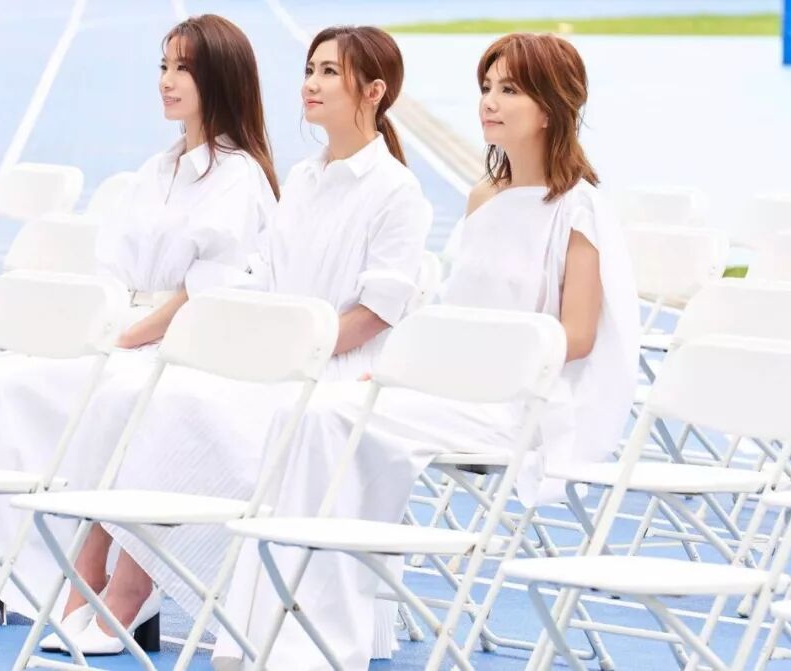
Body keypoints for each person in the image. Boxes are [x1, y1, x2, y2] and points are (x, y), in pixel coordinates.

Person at [216, 32, 642, 670]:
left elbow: (576, 338)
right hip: (451, 392)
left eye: (509, 89)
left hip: (521, 402)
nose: (489, 102)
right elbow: (454, 315)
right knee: (311, 415)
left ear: (551, 107)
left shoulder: (580, 209)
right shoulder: (483, 198)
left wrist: (452, 368)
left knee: (333, 418)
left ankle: (321, 640)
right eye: (486, 87)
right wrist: (409, 374)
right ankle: (267, 630)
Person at [44, 24, 433, 656]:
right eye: (309, 70)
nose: (310, 84)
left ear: (374, 92)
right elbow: (262, 279)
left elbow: (375, 314)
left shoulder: (396, 191)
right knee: (145, 393)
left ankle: (131, 590)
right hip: (274, 361)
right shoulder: (304, 179)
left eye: (330, 72)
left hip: (335, 374)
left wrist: (295, 349)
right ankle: (95, 574)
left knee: (179, 407)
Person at [0, 13, 278, 627]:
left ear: (221, 79)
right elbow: (112, 270)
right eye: (163, 66)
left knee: (84, 391)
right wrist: (100, 329)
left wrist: (120, 338)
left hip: (174, 345)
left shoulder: (239, 176)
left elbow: (205, 294)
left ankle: (17, 574)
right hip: (120, 328)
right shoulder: (157, 169)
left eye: (184, 69)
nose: (166, 81)